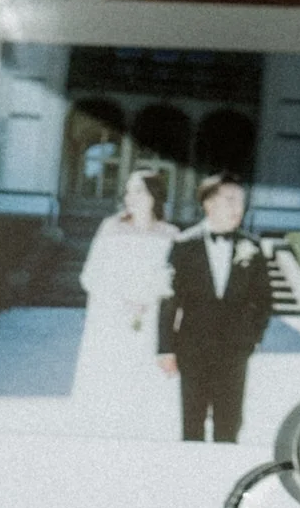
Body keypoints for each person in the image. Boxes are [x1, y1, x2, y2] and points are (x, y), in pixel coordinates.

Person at [158, 176, 277, 443]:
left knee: (230, 424)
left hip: (234, 352)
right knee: (192, 424)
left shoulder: (252, 247)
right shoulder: (184, 244)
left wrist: (253, 338)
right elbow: (168, 300)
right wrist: (165, 347)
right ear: (209, 204)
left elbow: (264, 299)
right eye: (230, 200)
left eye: (242, 202)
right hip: (192, 349)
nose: (238, 208)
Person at [68, 169, 180, 439]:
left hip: (151, 319)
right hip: (112, 318)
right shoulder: (111, 227)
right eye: (128, 190)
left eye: (138, 190)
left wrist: (150, 296)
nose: (130, 197)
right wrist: (122, 298)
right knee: (110, 384)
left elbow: (176, 280)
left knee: (144, 386)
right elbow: (91, 275)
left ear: (155, 195)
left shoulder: (172, 233)